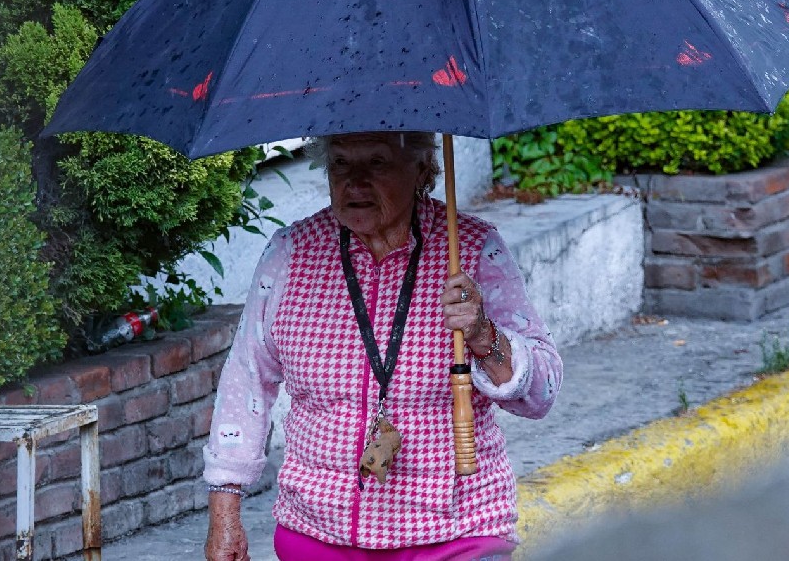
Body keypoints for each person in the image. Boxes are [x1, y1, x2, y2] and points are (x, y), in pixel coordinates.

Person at [203, 132, 563, 561]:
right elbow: (246, 380)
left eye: (376, 163)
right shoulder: (291, 254)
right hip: (318, 533)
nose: (354, 183)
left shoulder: (469, 250)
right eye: (340, 164)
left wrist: (484, 336)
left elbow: (541, 394)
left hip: (455, 533)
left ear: (421, 170)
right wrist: (224, 510)